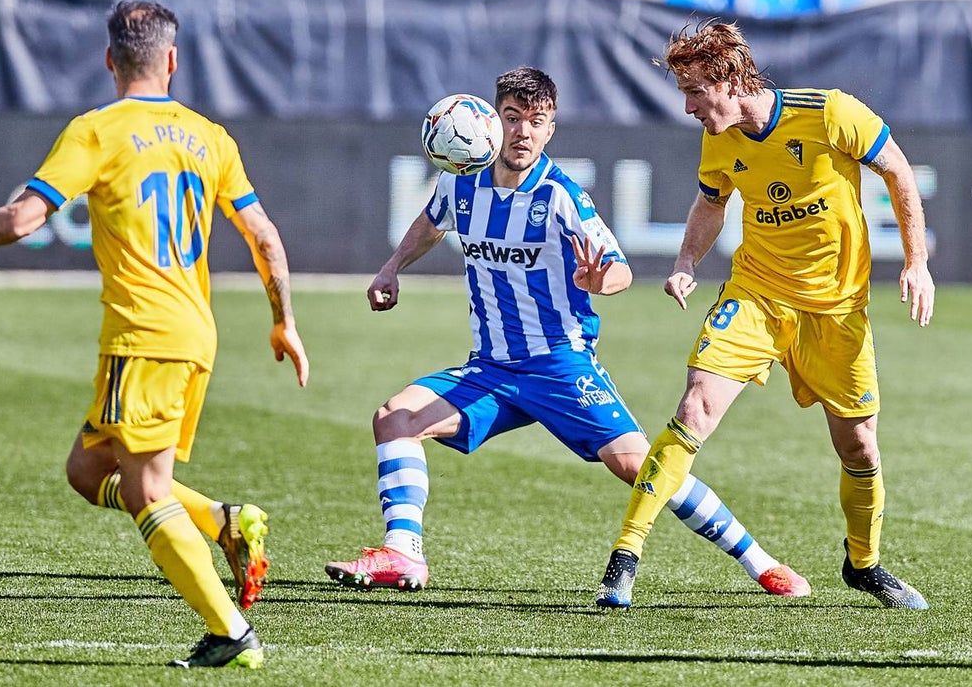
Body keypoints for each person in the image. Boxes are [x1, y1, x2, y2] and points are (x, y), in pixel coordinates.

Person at [324, 66, 809, 598]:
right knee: (394, 418)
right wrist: (392, 267)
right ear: (493, 121)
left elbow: (619, 268)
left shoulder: (560, 195)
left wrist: (602, 280)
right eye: (513, 117)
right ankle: (403, 552)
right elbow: (432, 221)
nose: (523, 132)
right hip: (491, 368)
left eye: (537, 121)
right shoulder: (460, 180)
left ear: (550, 129)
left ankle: (761, 562)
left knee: (640, 467)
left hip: (560, 366)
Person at [0, 0, 310, 667]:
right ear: (172, 59)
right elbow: (265, 236)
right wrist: (284, 321)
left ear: (109, 59)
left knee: (146, 491)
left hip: (145, 335)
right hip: (192, 332)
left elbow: (21, 220)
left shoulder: (97, 131)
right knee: (87, 470)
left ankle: (230, 631)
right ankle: (221, 519)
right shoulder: (210, 137)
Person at [596, 21, 934, 610]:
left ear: (730, 80)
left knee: (859, 448)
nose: (688, 107)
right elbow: (711, 202)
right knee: (694, 408)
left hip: (836, 309)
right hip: (756, 296)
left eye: (695, 92)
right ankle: (624, 559)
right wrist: (685, 261)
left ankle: (864, 564)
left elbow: (898, 171)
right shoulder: (720, 138)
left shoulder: (830, 113)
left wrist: (917, 262)